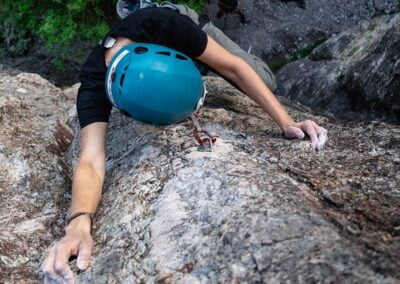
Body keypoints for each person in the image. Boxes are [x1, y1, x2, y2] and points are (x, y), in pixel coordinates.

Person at [41, 2, 328, 283]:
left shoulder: (167, 24)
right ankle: (198, 66)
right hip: (159, 44)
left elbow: (235, 67)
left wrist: (286, 121)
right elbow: (90, 161)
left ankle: (193, 51)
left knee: (265, 79)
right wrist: (78, 224)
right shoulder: (93, 86)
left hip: (176, 20)